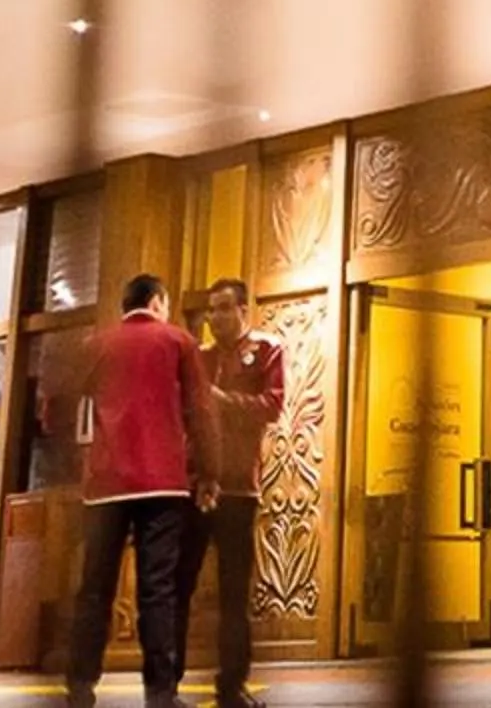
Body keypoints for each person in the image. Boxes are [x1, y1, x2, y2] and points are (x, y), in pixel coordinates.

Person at [59, 273, 212, 708]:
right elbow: (201, 411)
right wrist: (210, 472)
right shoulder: (179, 342)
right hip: (164, 482)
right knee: (157, 589)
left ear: (125, 305)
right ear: (158, 301)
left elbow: (66, 399)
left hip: (107, 484)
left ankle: (80, 686)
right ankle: (160, 693)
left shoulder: (97, 344)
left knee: (94, 589)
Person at [194, 278, 283, 708]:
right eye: (210, 310)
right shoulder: (198, 356)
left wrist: (221, 400)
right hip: (193, 485)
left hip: (238, 488)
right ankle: (164, 684)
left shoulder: (267, 350)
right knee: (176, 585)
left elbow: (271, 406)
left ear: (243, 309)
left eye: (224, 308)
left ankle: (231, 685)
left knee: (234, 592)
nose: (215, 318)